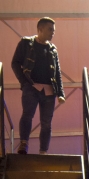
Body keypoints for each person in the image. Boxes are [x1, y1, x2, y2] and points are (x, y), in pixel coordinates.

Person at [11, 17, 65, 155]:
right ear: (40, 29)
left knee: (46, 122)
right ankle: (24, 144)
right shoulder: (26, 43)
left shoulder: (53, 49)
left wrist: (60, 93)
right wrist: (24, 82)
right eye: (50, 29)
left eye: (54, 30)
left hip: (49, 90)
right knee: (27, 115)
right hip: (31, 86)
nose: (53, 33)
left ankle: (43, 152)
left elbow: (57, 71)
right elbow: (15, 63)